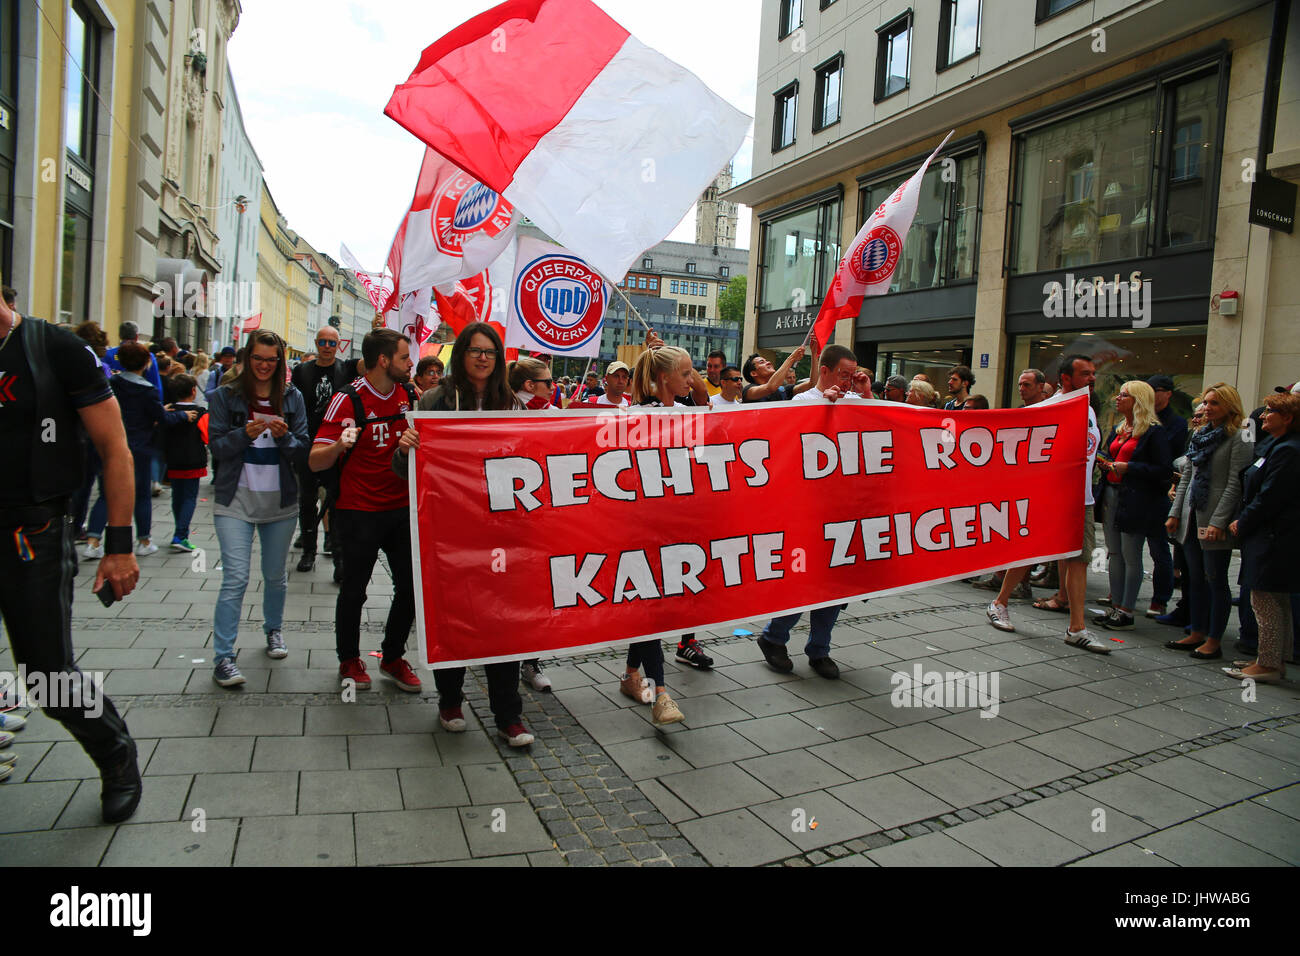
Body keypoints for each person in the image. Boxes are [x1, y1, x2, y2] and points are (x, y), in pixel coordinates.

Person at [0, 290, 143, 822]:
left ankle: (114, 752)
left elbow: (115, 448)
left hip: (30, 531)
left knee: (45, 674)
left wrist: (119, 547)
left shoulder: (51, 346)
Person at [392, 322, 537, 746]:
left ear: (498, 359)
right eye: (474, 350)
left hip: (498, 530)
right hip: (450, 529)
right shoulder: (436, 400)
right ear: (462, 356)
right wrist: (406, 449)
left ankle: (508, 715)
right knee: (451, 616)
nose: (482, 358)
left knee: (502, 622)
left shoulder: (509, 403)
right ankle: (450, 700)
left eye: (490, 352)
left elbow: (528, 459)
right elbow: (406, 473)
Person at [311, 329, 424, 696]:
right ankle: (349, 658)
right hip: (357, 511)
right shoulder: (348, 401)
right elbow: (314, 460)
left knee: (409, 587)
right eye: (405, 358)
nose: (411, 364)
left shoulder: (409, 395)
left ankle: (392, 657)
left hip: (400, 508)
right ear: (384, 361)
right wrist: (339, 446)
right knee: (354, 590)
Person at [987, 355, 1109, 652]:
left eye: (1093, 373)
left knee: (1079, 560)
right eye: (1085, 374)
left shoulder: (1089, 410)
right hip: (1049, 496)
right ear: (1066, 378)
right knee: (1030, 550)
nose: (1092, 378)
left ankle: (1077, 628)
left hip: (1082, 499)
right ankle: (999, 603)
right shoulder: (1047, 409)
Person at [206, 332, 308, 686]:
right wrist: (244, 435)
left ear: (280, 363)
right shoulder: (224, 396)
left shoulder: (292, 398)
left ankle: (273, 630)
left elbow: (302, 452)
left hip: (279, 501)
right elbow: (217, 449)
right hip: (235, 498)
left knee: (275, 575)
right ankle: (223, 657)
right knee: (235, 577)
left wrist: (283, 437)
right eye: (258, 359)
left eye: (271, 360)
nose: (264, 366)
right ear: (247, 359)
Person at [619, 345, 703, 723]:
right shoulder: (631, 415)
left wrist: (679, 364)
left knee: (652, 606)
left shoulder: (690, 413)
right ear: (664, 378)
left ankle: (632, 675)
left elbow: (704, 398)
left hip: (678, 524)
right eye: (685, 373)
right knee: (651, 606)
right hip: (641, 525)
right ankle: (661, 694)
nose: (691, 379)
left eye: (692, 372)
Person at [1164, 384, 1252, 661]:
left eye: (1214, 403)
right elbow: (1186, 477)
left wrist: (1218, 521)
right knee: (1195, 579)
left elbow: (1235, 484)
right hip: (1191, 515)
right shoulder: (1200, 434)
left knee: (1215, 579)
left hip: (1214, 518)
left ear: (1229, 405)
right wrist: (1175, 513)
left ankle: (1214, 639)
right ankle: (1197, 630)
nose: (1207, 407)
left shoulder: (1240, 436)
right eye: (1206, 402)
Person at [83, 343, 192, 558]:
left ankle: (93, 542)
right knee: (141, 495)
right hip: (139, 448)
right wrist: (183, 415)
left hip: (110, 444)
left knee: (106, 494)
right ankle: (144, 541)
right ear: (146, 363)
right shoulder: (147, 390)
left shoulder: (110, 384)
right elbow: (161, 418)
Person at [1226, 392, 1300, 681]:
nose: (1263, 415)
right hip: (1272, 534)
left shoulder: (1288, 450)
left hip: (1273, 536)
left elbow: (1271, 496)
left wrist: (1243, 521)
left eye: (1270, 411)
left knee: (1264, 599)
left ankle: (1268, 663)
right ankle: (1274, 658)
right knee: (1275, 599)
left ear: (1288, 419)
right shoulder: (1278, 445)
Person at [1094, 381, 1173, 630]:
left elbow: (1163, 469)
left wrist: (1130, 468)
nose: (1118, 398)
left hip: (1136, 499)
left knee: (1131, 554)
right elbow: (1110, 452)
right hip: (1111, 493)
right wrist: (1105, 462)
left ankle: (1127, 609)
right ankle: (1116, 604)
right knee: (1114, 553)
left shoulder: (1153, 432)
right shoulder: (1120, 428)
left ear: (1137, 400)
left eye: (1124, 395)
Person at [290, 324, 351, 576]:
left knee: (335, 501)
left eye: (332, 343)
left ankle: (338, 557)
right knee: (306, 500)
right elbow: (292, 405)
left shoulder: (345, 370)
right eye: (323, 342)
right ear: (316, 344)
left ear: (339, 346)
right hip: (307, 443)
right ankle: (308, 551)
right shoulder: (302, 371)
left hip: (334, 446)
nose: (327, 347)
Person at [1141, 374, 1188, 618]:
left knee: (1159, 549)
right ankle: (1123, 593)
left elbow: (1173, 461)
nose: (1152, 394)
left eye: (1156, 389)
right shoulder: (1140, 419)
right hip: (1137, 489)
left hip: (1160, 491)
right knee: (1128, 549)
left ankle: (1161, 598)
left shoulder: (1178, 424)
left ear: (1168, 393)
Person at [161, 373, 208, 553]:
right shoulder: (201, 412)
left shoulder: (169, 411)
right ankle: (181, 535)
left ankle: (178, 530)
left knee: (177, 496)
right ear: (194, 391)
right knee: (189, 497)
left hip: (172, 460)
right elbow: (207, 436)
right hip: (194, 461)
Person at [104, 322, 163, 399]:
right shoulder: (146, 354)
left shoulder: (108, 354)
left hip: (115, 400)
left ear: (120, 335)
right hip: (141, 400)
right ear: (136, 336)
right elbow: (155, 383)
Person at [741, 346, 809, 402]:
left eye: (766, 360)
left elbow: (812, 384)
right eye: (762, 362)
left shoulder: (782, 390)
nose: (768, 362)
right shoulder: (748, 391)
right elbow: (770, 388)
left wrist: (815, 354)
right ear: (753, 373)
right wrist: (791, 358)